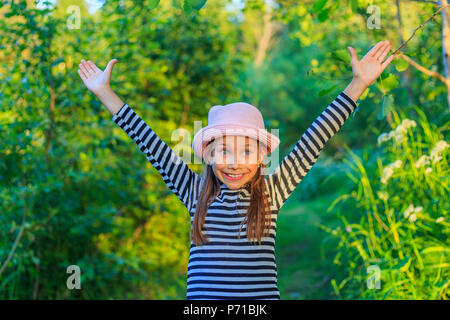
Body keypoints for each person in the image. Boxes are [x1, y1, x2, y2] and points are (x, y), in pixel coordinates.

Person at [77, 40, 394, 299]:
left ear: (261, 156)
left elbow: (316, 137)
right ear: (210, 155)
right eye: (223, 150)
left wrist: (359, 84)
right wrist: (105, 92)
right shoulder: (193, 191)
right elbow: (147, 140)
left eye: (246, 151)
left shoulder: (272, 192)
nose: (234, 161)